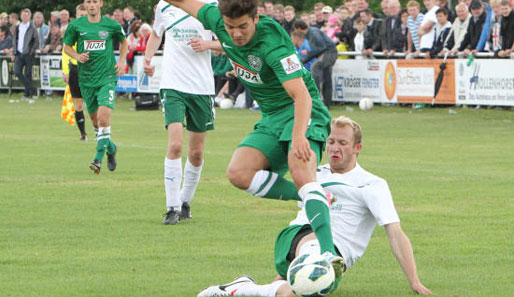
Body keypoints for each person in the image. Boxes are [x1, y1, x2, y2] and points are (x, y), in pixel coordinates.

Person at [162, 0, 344, 290]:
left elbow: (303, 97)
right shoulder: (217, 19)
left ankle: (328, 253)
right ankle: (313, 197)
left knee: (301, 170)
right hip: (271, 115)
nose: (235, 34)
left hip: (302, 111)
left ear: (256, 18)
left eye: (243, 26)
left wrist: (298, 138)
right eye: (230, 27)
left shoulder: (273, 43)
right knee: (238, 174)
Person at [197, 116, 433, 297]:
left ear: (357, 148)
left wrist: (414, 280)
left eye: (342, 143)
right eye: (330, 142)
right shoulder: (313, 175)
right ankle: (311, 261)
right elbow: (270, 179)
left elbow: (395, 232)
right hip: (300, 237)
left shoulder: (372, 184)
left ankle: (242, 288)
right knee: (313, 258)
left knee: (291, 292)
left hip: (337, 259)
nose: (334, 148)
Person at [144, 0, 217, 224]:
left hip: (202, 88)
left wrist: (207, 44)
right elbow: (157, 34)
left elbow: (230, 42)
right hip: (173, 84)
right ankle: (172, 207)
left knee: (196, 153)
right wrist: (148, 60)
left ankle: (185, 202)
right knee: (175, 145)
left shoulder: (211, 5)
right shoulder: (164, 6)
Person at [63, 0, 128, 174]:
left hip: (107, 78)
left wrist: (121, 61)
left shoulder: (111, 25)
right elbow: (66, 47)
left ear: (101, 4)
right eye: (88, 2)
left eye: (95, 1)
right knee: (95, 122)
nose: (91, 5)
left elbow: (124, 42)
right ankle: (111, 149)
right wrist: (77, 55)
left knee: (104, 117)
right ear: (85, 4)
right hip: (86, 80)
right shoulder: (76, 25)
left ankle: (98, 158)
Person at [293, 20, 337, 109]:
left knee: (315, 67)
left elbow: (321, 47)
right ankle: (327, 104)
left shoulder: (313, 32)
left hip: (329, 53)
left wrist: (305, 59)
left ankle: (314, 98)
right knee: (326, 77)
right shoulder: (311, 32)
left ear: (298, 28)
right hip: (328, 52)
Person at [62, 4, 89, 141]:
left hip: (90, 69)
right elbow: (65, 50)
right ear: (76, 15)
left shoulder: (93, 28)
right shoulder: (72, 28)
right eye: (80, 15)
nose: (83, 17)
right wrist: (65, 71)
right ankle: (83, 134)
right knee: (78, 104)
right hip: (75, 69)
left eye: (85, 15)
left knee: (92, 102)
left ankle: (99, 130)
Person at [11, 8, 39, 100]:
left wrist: (31, 51)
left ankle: (27, 93)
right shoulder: (18, 27)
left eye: (26, 15)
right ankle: (32, 88)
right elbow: (15, 39)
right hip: (19, 53)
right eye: (23, 15)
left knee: (28, 73)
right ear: (21, 16)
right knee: (17, 71)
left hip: (28, 53)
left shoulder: (32, 27)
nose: (24, 17)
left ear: (30, 16)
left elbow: (36, 40)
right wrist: (14, 52)